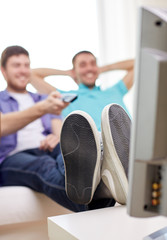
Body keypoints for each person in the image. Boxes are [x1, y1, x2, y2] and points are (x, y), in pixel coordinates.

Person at [0, 45, 131, 213]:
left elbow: (59, 131)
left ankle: (105, 180)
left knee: (67, 153)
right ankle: (101, 196)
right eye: (17, 65)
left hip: (47, 147)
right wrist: (42, 108)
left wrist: (56, 138)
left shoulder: (44, 99)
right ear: (4, 71)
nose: (23, 70)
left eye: (27, 65)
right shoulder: (40, 103)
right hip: (13, 158)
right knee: (44, 166)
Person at [31, 51, 134, 131]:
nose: (89, 68)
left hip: (130, 144)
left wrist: (102, 69)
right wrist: (68, 73)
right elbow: (31, 74)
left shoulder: (115, 91)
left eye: (93, 64)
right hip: (97, 151)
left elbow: (137, 64)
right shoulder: (65, 98)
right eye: (83, 65)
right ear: (74, 71)